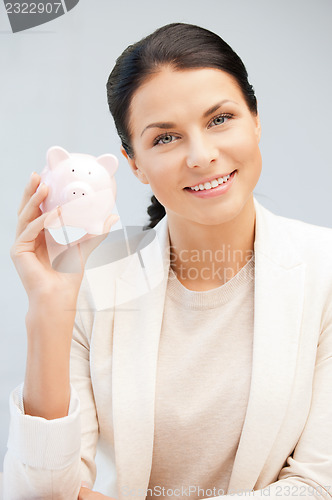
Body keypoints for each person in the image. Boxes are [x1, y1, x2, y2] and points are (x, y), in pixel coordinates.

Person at [3, 22, 332, 500]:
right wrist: (49, 309)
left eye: (220, 119)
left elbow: (317, 486)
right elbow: (38, 493)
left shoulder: (325, 271)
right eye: (165, 138)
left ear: (255, 119)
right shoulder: (91, 280)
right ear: (132, 163)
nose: (202, 156)